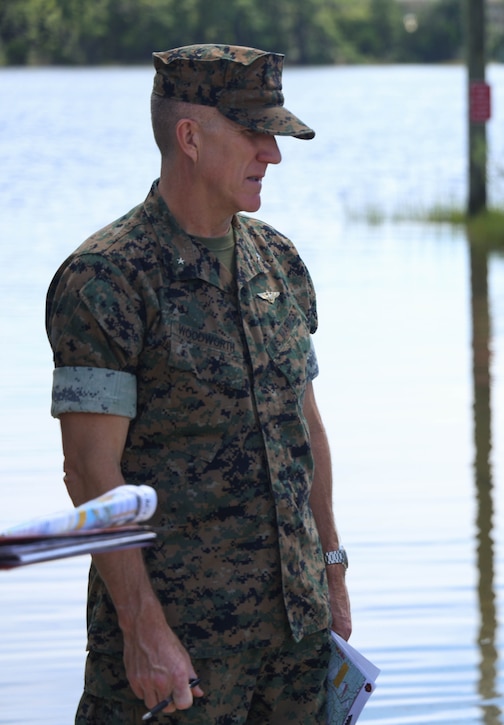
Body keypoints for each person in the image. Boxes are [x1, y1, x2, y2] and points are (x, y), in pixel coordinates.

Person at [44, 44, 350, 723]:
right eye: (253, 132)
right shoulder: (107, 279)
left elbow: (308, 431)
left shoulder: (279, 262)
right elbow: (89, 469)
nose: (271, 152)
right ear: (189, 136)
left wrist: (332, 566)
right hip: (179, 661)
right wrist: (143, 627)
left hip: (295, 650)